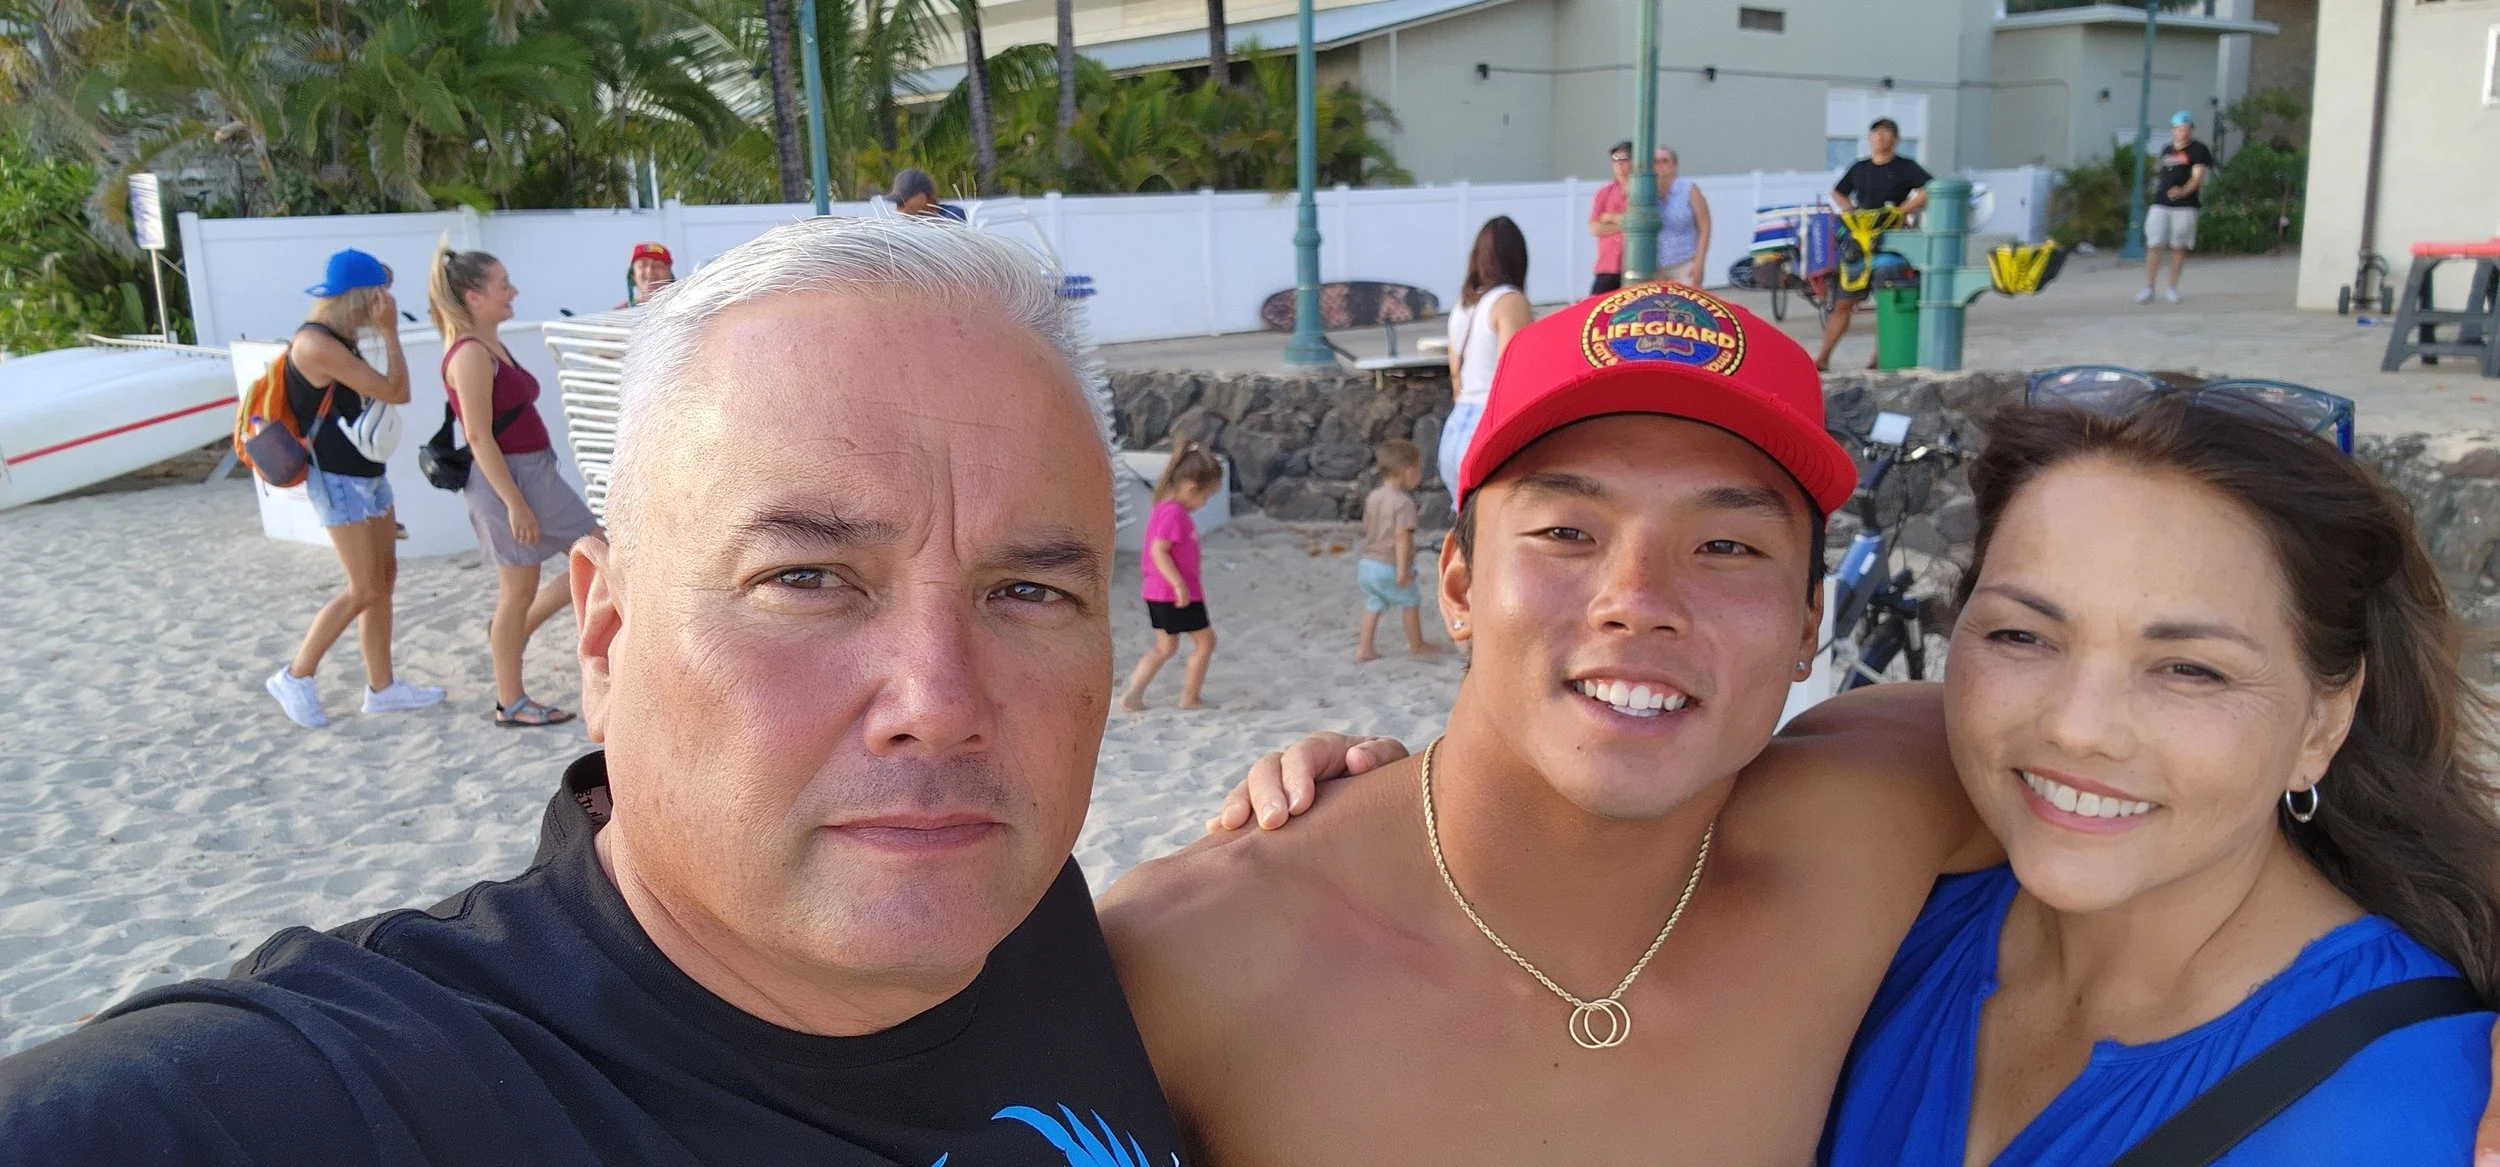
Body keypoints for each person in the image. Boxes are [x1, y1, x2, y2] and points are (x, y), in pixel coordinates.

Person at [0, 216, 1185, 1165]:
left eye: (1028, 594)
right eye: (807, 578)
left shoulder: (1066, 941)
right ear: (608, 638)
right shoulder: (331, 1096)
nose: (941, 698)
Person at [1101, 283, 2005, 1163]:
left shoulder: (1873, 823)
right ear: (1457, 584)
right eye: (1568, 532)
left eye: (1727, 546)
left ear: (1810, 623)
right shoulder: (1193, 959)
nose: (1639, 601)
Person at [1822, 398, 2500, 1163]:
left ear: (2323, 722)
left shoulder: (2413, 1117)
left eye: (2190, 669)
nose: (2077, 727)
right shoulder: (1875, 921)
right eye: (2023, 635)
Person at [262, 248, 445, 729]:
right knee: (363, 587)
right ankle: (295, 676)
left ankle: (382, 688)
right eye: (378, 294)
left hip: (367, 475)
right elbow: (396, 391)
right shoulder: (316, 344)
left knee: (383, 582)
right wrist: (390, 333)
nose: (385, 302)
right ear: (359, 297)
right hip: (337, 480)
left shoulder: (339, 338)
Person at [430, 244, 600, 728]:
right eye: (502, 285)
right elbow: (479, 436)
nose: (513, 292)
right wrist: (515, 504)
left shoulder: (487, 346)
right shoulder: (469, 354)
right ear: (474, 297)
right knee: (526, 586)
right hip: (509, 480)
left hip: (533, 474)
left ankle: (514, 638)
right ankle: (511, 700)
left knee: (590, 555)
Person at [1814, 117, 1932, 372]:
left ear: (1896, 139)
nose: (1879, 138)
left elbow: (1930, 189)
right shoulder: (1860, 168)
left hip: (1891, 245)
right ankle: (1822, 358)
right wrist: (1850, 209)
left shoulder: (1905, 167)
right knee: (1843, 303)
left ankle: (1881, 355)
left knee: (1888, 303)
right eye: (1875, 133)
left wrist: (1902, 210)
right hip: (1859, 243)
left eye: (1885, 133)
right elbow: (1838, 191)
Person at [1120, 440, 1222, 712]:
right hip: (1175, 593)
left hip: (1159, 591)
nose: (1205, 503)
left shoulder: (1164, 508)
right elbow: (1158, 551)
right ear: (1191, 487)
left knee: (1165, 647)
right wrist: (1179, 584)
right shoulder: (1174, 514)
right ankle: (1190, 698)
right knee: (1205, 642)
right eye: (1206, 496)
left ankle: (1134, 694)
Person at [1440, 215, 1531, 493]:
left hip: (1457, 425)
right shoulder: (1510, 302)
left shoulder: (1464, 305)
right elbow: (1512, 370)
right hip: (1488, 419)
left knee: (1463, 520)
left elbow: (1456, 374)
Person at [1354, 438, 1439, 662]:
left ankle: (1364, 649)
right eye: (1419, 470)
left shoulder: (1373, 497)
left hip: (1367, 564)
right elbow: (1401, 536)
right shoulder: (1404, 503)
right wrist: (1403, 570)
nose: (1420, 475)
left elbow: (1372, 529)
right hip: (1390, 566)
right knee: (1411, 602)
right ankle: (1417, 644)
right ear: (1408, 471)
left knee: (1373, 604)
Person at [2138, 111, 2213, 305]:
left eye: (2187, 129)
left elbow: (2197, 177)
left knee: (2179, 246)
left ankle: (2172, 287)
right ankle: (2148, 287)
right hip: (2161, 202)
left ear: (2191, 130)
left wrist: (2183, 191)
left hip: (2185, 206)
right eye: (2180, 129)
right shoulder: (2166, 149)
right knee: (2154, 244)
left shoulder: (2198, 150)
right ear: (2174, 130)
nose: (2183, 132)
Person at [1653, 146, 1712, 288]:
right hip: (1655, 266)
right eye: (1656, 162)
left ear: (1675, 165)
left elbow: (1705, 226)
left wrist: (1699, 263)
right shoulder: (1647, 191)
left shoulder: (1689, 189)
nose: (1660, 165)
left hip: (1685, 263)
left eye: (1665, 161)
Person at [1587, 140, 1635, 294]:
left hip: (1633, 264)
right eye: (1615, 159)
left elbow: (1638, 221)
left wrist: (1609, 217)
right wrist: (1622, 222)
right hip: (1607, 265)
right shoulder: (1604, 192)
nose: (1619, 163)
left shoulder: (1643, 191)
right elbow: (1595, 228)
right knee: (1595, 307)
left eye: (1624, 158)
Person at [889, 167, 966, 221]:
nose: (898, 208)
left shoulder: (953, 215)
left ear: (921, 198)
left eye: (901, 202)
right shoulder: (912, 224)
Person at [617, 241, 675, 309]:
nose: (650, 270)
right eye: (642, 265)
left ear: (670, 275)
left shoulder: (684, 309)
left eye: (658, 265)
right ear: (633, 275)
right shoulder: (615, 316)